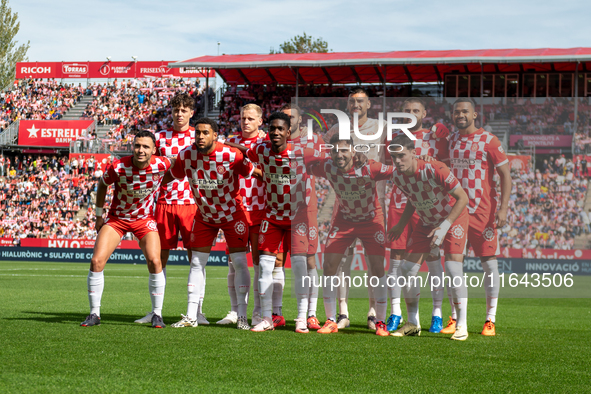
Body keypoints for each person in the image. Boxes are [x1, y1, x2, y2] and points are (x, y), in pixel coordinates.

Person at [167, 118, 255, 330]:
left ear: (215, 135)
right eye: (197, 133)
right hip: (205, 216)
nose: (200, 136)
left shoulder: (231, 154)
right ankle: (191, 316)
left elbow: (252, 171)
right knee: (197, 263)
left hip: (233, 215)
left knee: (240, 263)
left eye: (205, 133)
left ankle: (242, 316)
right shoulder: (187, 155)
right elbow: (170, 176)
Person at [80, 130, 171, 328]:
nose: (141, 150)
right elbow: (102, 185)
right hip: (117, 219)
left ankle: (157, 314)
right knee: (96, 261)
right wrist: (98, 215)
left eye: (146, 146)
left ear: (154, 150)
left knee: (156, 262)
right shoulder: (118, 166)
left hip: (144, 219)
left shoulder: (162, 164)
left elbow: (178, 170)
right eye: (137, 145)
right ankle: (94, 314)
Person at [387, 134, 470, 340]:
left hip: (453, 218)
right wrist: (401, 224)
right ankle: (413, 323)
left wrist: (445, 226)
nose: (397, 161)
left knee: (452, 268)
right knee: (407, 269)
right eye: (393, 157)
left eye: (402, 156)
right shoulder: (398, 176)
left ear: (413, 153)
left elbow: (463, 198)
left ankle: (462, 325)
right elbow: (413, 198)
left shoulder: (435, 169)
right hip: (426, 220)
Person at [308, 136, 390, 336]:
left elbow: (398, 171)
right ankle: (331, 320)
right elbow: (304, 159)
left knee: (378, 267)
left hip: (371, 220)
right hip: (344, 220)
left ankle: (380, 321)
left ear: (353, 152)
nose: (339, 155)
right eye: (335, 151)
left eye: (344, 151)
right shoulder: (327, 167)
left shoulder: (369, 167)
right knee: (329, 266)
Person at [133, 93, 204, 325]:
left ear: (191, 113)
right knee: (158, 259)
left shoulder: (199, 136)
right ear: (172, 112)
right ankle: (156, 312)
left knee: (196, 260)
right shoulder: (160, 137)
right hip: (163, 203)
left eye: (184, 110)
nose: (179, 114)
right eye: (176, 110)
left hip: (192, 204)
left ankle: (196, 312)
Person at [443, 98, 512, 337]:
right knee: (452, 266)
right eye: (456, 111)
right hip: (455, 212)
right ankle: (454, 317)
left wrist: (503, 208)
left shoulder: (489, 141)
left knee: (489, 264)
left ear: (474, 115)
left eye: (465, 111)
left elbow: (505, 174)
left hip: (482, 213)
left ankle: (490, 319)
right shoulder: (450, 140)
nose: (460, 115)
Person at [385, 98, 450, 333]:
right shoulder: (393, 138)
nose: (411, 114)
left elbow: (447, 165)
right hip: (400, 203)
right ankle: (396, 313)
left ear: (424, 112)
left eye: (415, 110)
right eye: (406, 111)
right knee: (396, 260)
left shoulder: (435, 137)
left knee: (433, 258)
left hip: (428, 205)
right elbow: (388, 168)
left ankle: (437, 314)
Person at [245, 112, 311, 333]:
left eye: (280, 129)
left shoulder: (301, 153)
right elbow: (245, 150)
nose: (275, 132)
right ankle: (266, 318)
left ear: (288, 132)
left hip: (298, 217)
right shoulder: (262, 149)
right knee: (265, 266)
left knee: (300, 268)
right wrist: (225, 142)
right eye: (272, 128)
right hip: (272, 216)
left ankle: (301, 318)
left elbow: (326, 157)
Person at [218, 104, 267, 326]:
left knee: (258, 262)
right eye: (242, 118)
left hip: (260, 209)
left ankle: (257, 312)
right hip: (235, 209)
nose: (245, 122)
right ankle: (235, 311)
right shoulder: (229, 144)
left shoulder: (265, 144)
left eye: (250, 118)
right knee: (233, 263)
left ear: (260, 121)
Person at [280, 103, 323, 330]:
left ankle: (311, 314)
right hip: (277, 208)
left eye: (292, 116)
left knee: (309, 259)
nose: (288, 120)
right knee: (278, 260)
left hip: (305, 208)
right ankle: (277, 312)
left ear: (299, 120)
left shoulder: (312, 140)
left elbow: (332, 156)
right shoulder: (275, 142)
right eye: (284, 116)